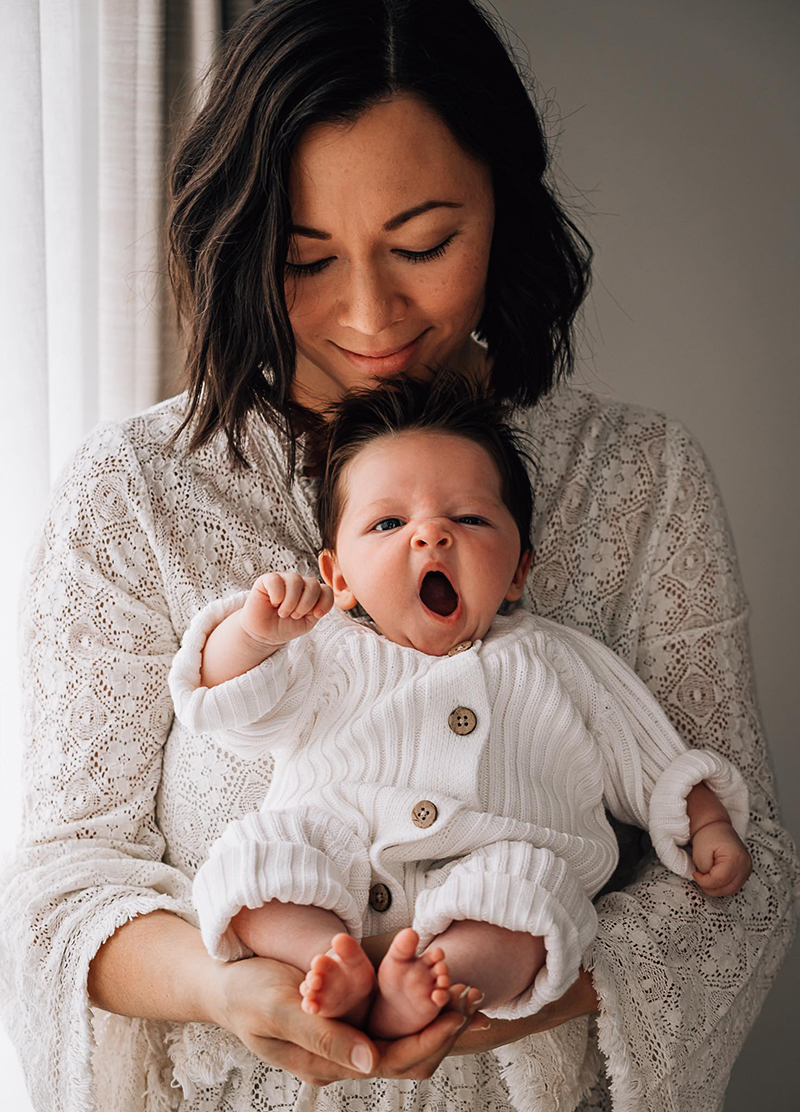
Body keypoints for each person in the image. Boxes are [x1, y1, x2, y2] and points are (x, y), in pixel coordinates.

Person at [0, 1, 796, 1110]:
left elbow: (740, 870)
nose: (369, 315)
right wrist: (233, 988)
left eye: (423, 244)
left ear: (505, 213)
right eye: (305, 258)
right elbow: (59, 881)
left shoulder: (639, 476)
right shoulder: (133, 496)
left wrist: (496, 990)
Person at [168, 371, 751, 1058]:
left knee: (535, 904)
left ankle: (444, 980)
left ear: (518, 571)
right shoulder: (325, 649)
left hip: (496, 859)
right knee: (254, 863)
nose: (431, 536)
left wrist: (705, 820)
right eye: (388, 523)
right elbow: (236, 713)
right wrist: (257, 635)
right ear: (340, 577)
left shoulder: (561, 661)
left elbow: (648, 753)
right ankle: (330, 960)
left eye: (469, 519)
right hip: (338, 851)